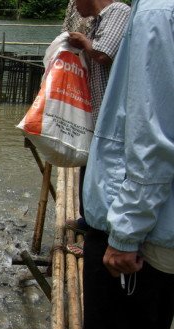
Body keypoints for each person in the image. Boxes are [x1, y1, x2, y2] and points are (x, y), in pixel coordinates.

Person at [81, 0, 174, 329]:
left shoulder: (156, 12)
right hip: (164, 231)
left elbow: (151, 138)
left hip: (143, 235)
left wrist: (124, 234)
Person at [64, 0, 130, 257]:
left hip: (112, 113)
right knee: (89, 165)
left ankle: (100, 236)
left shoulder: (118, 12)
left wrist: (84, 43)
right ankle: (88, 220)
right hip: (96, 109)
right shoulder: (99, 20)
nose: (73, 6)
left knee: (106, 174)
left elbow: (104, 54)